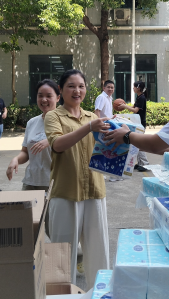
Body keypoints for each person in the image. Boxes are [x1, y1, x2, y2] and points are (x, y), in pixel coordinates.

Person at [44, 69, 111, 289]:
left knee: (99, 251)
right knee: (63, 255)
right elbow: (57, 144)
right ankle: (63, 293)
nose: (77, 91)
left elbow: (106, 149)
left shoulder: (93, 117)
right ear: (61, 90)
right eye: (71, 86)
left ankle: (99, 291)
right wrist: (88, 128)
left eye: (81, 86)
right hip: (66, 193)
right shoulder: (54, 116)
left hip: (94, 190)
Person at [6, 79, 59, 237]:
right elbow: (26, 152)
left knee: (54, 231)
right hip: (31, 182)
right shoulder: (32, 123)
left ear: (58, 97)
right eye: (40, 95)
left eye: (49, 95)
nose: (44, 99)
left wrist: (51, 140)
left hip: (54, 184)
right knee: (28, 228)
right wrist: (16, 159)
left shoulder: (65, 122)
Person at [117, 81, 149, 170]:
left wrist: (124, 106)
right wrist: (125, 106)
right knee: (136, 143)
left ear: (138, 88)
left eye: (134, 87)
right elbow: (133, 108)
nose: (133, 88)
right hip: (138, 123)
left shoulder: (142, 98)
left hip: (140, 124)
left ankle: (145, 164)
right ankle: (140, 162)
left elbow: (135, 110)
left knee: (140, 143)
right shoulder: (139, 97)